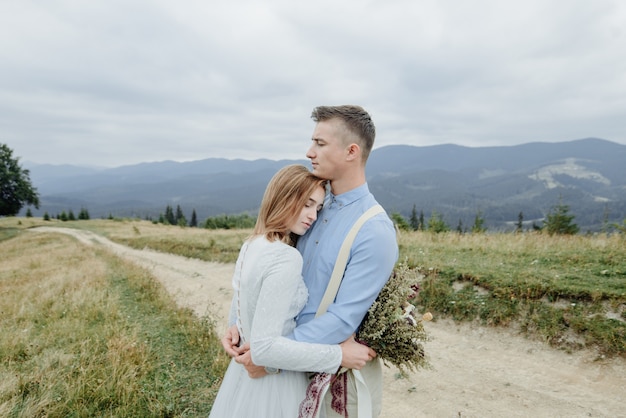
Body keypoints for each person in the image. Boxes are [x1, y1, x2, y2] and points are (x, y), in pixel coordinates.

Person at [223, 105, 399, 417]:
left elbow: (343, 319)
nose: (309, 151)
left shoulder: (374, 230)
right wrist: (239, 324)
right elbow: (263, 264)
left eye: (319, 143)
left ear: (351, 151)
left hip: (329, 383)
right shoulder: (307, 206)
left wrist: (270, 356)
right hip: (275, 361)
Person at [209, 164, 375, 418]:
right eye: (307, 204)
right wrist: (339, 355)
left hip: (243, 383)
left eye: (318, 208)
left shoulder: (251, 245)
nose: (313, 216)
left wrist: (235, 325)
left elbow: (242, 301)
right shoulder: (286, 257)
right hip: (276, 388)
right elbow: (265, 349)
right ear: (284, 198)